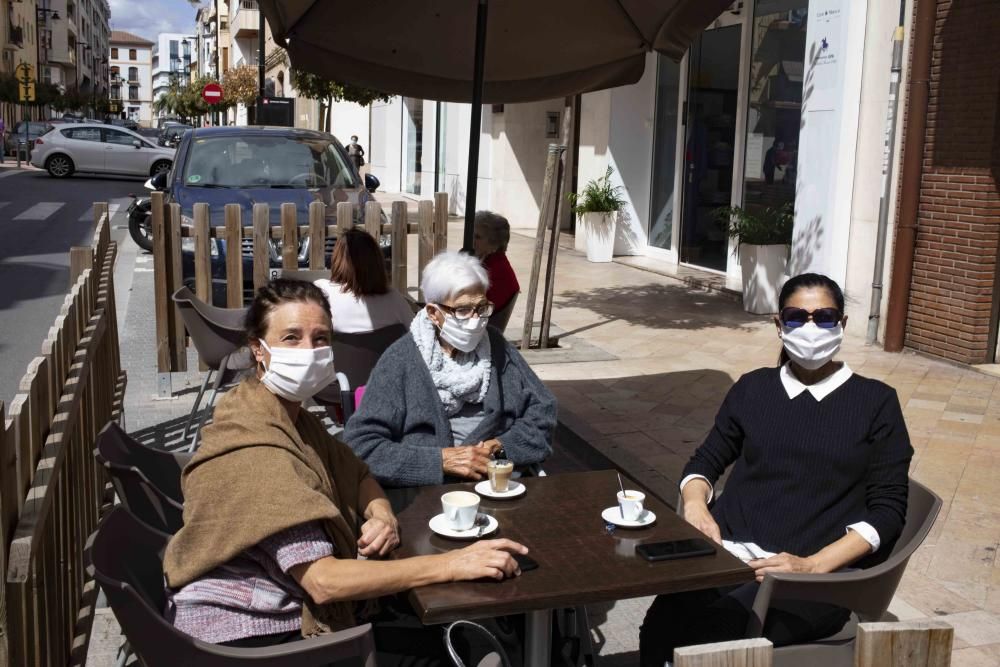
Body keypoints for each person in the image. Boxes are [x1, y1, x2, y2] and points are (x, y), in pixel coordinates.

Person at [162, 279, 529, 662]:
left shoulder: (286, 418)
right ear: (259, 349)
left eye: (320, 338)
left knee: (446, 628)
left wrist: (381, 514)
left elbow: (357, 473)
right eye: (291, 338)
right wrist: (454, 564)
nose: (310, 350)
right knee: (446, 645)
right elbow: (324, 583)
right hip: (244, 637)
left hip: (278, 605)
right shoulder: (261, 452)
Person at [638, 273, 913, 666]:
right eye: (797, 317)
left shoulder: (876, 402)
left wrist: (813, 565)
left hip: (809, 580)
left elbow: (888, 512)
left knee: (715, 634)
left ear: (843, 325)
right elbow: (705, 461)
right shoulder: (753, 388)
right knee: (660, 625)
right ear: (779, 325)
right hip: (730, 554)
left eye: (825, 317)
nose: (811, 327)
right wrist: (696, 508)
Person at [344, 251, 556, 488]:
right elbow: (362, 446)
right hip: (429, 494)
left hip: (500, 483)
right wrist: (441, 461)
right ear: (434, 313)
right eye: (463, 310)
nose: (475, 319)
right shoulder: (401, 359)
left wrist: (502, 447)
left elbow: (543, 411)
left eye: (482, 307)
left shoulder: (496, 346)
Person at [314, 228, 413, 334]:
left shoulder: (322, 292)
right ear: (377, 261)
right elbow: (419, 336)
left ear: (338, 260)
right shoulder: (394, 299)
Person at [473, 211, 520, 313]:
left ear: (494, 243)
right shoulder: (490, 260)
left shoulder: (494, 268)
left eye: (477, 237)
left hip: (485, 323)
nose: (472, 240)